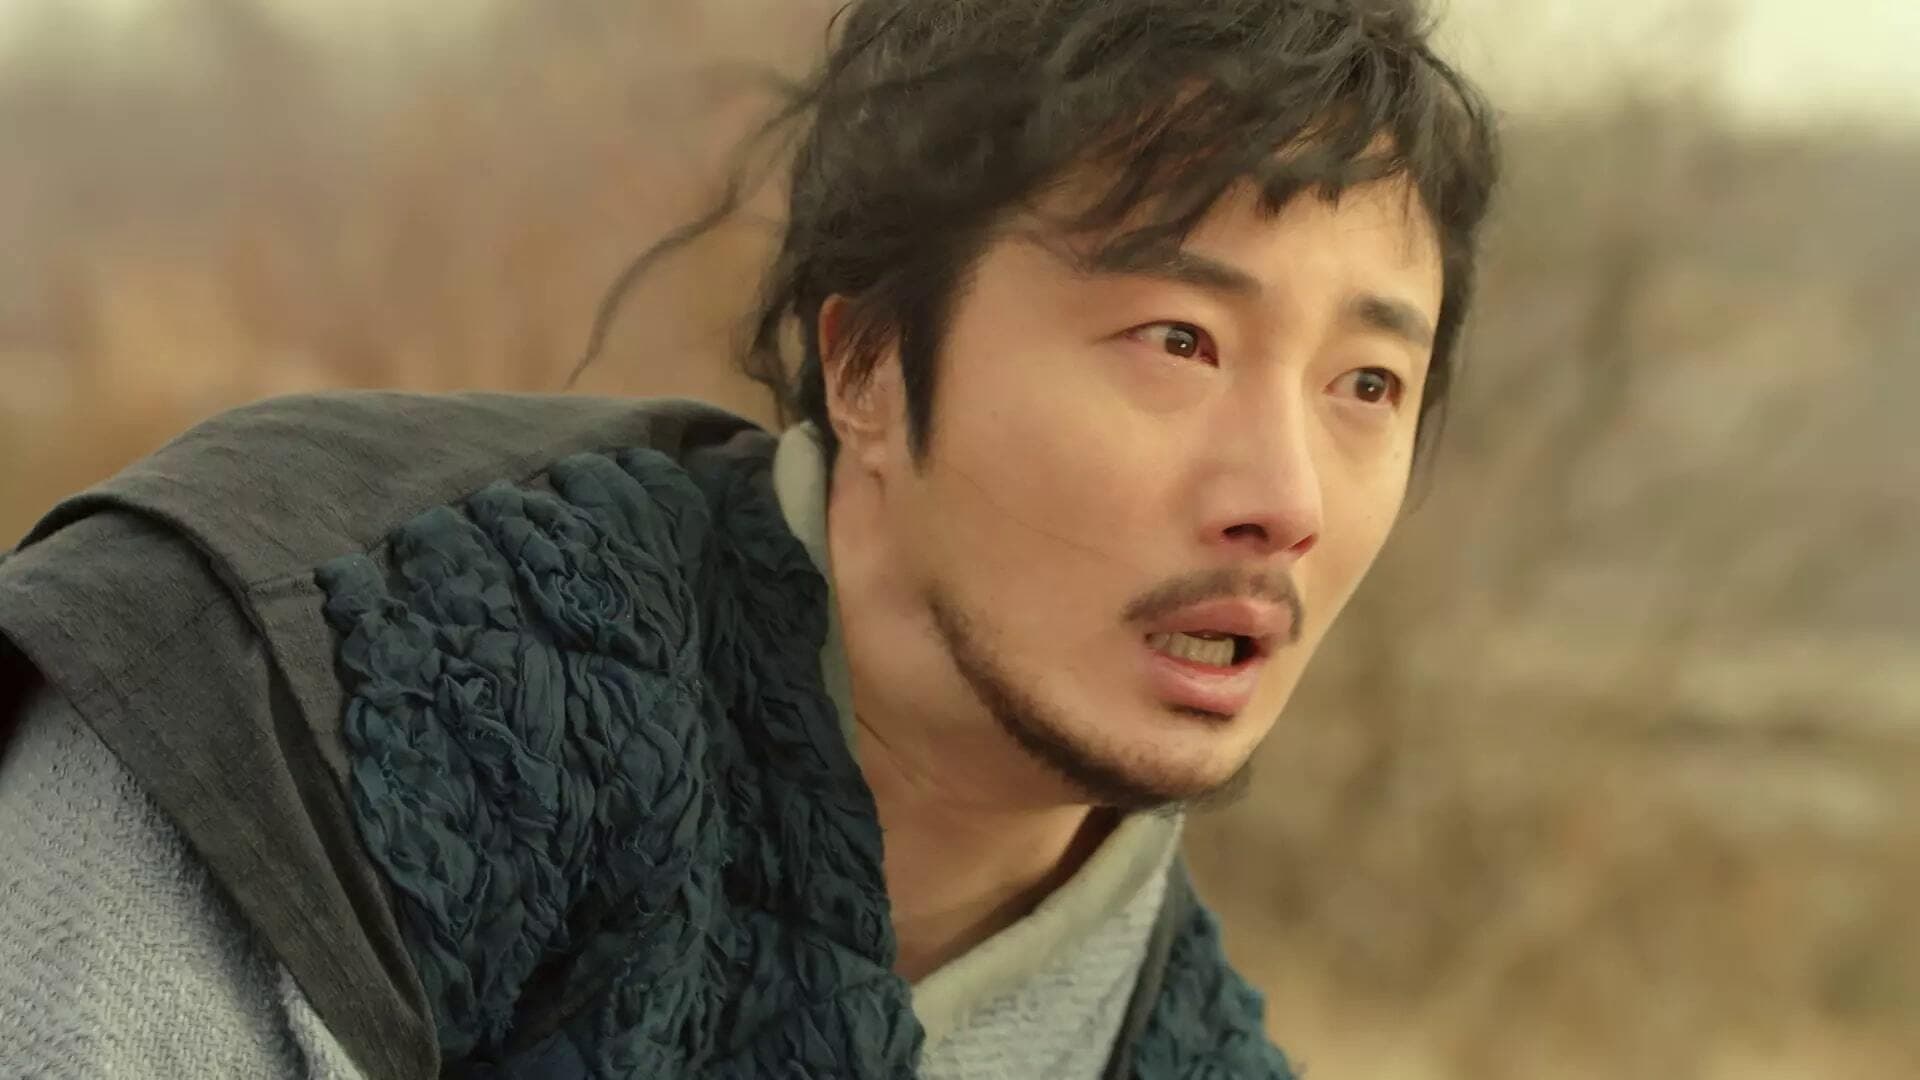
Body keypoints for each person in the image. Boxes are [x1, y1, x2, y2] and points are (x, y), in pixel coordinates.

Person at [0, 0, 1498, 1076]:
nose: (1286, 498)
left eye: (1368, 384)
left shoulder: (1172, 1045)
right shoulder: (324, 676)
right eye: (1178, 341)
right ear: (868, 367)